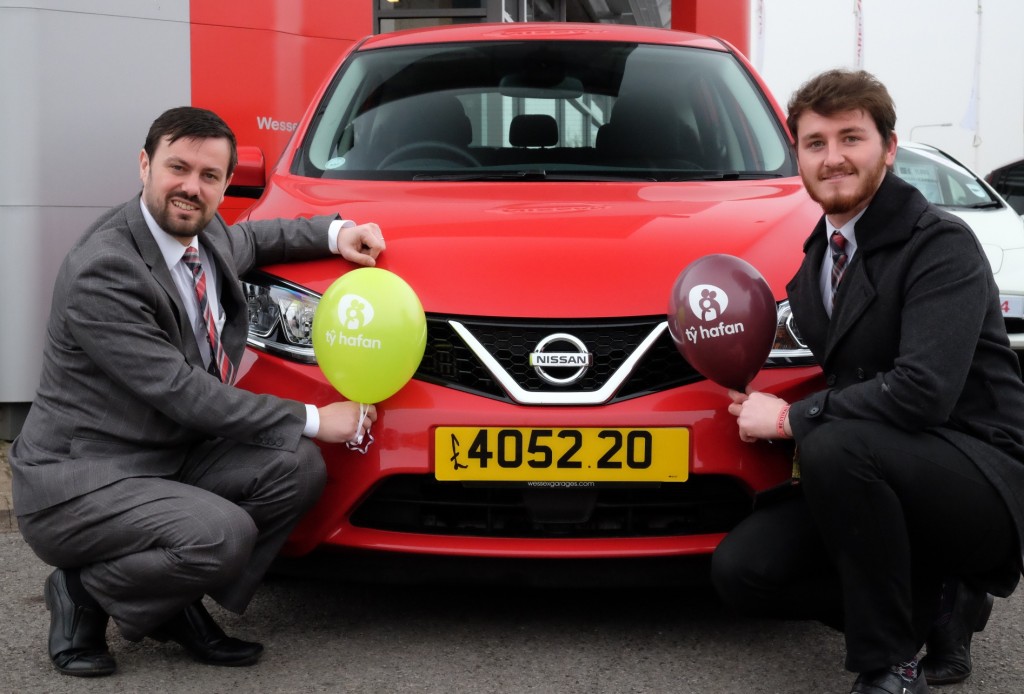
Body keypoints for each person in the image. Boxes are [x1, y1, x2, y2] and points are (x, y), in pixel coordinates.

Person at [8, 106, 386, 677]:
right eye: (177, 168)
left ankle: (169, 601)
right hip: (82, 480)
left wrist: (337, 232)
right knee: (222, 534)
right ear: (144, 164)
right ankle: (83, 592)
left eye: (209, 176)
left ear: (225, 184)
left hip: (166, 456)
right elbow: (183, 392)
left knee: (296, 469)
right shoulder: (105, 270)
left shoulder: (201, 231)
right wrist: (314, 415)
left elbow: (254, 240)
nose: (191, 187)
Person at [711, 69, 1024, 694]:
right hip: (877, 465)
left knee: (834, 442)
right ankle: (936, 604)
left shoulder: (941, 246)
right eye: (815, 143)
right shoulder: (813, 263)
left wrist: (791, 419)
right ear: (796, 154)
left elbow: (922, 390)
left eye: (851, 138)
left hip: (978, 473)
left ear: (888, 146)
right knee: (743, 570)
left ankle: (888, 663)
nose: (833, 159)